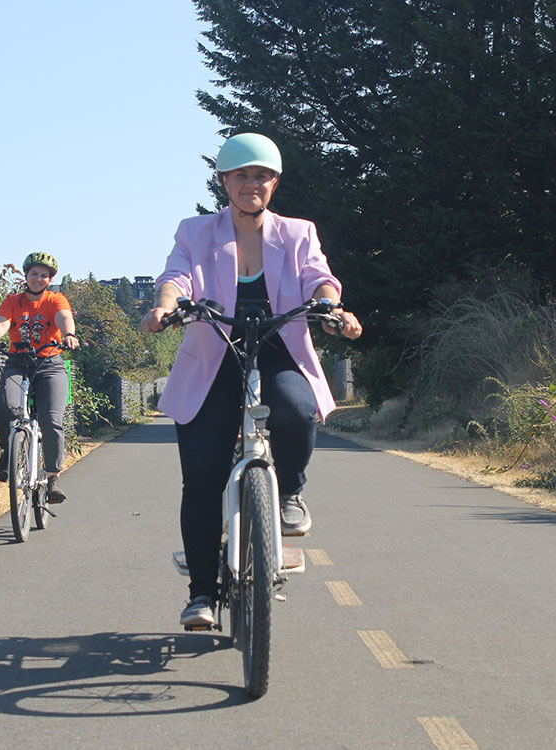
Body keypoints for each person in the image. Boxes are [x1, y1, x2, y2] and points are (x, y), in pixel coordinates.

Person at [141, 132, 363, 627]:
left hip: (279, 346)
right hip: (214, 357)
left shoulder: (297, 232)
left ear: (274, 183)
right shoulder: (197, 231)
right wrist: (164, 308)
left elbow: (317, 275)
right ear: (224, 182)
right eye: (241, 175)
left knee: (296, 409)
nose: (251, 184)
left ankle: (288, 493)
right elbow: (177, 276)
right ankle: (201, 595)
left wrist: (331, 306)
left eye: (261, 175)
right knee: (200, 479)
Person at [0, 252, 79, 502]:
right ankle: (8, 449)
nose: (38, 278)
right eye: (34, 274)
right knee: (5, 409)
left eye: (44, 275)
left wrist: (69, 335)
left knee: (52, 420)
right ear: (26, 275)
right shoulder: (13, 301)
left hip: (49, 364)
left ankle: (52, 479)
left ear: (50, 278)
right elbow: (1, 323)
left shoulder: (56, 299)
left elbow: (64, 318)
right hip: (18, 363)